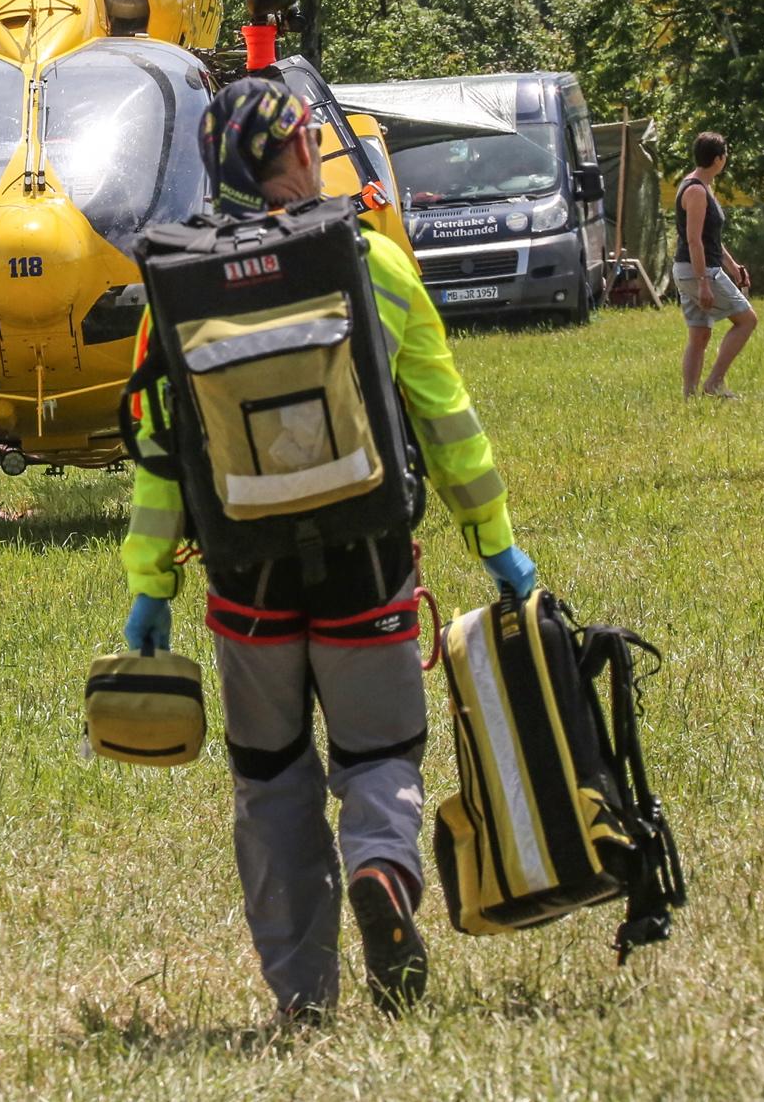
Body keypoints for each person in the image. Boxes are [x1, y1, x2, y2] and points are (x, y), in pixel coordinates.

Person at [119, 77, 540, 1022]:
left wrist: (148, 588)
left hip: (245, 585)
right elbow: (446, 422)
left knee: (269, 784)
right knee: (379, 754)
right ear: (302, 149)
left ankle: (302, 997)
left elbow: (156, 459)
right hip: (368, 571)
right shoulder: (373, 264)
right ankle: (383, 873)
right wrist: (498, 545)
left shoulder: (172, 290)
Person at [671, 131, 757, 399]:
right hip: (699, 271)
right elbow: (694, 240)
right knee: (746, 321)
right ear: (719, 159)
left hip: (690, 270)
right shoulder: (696, 190)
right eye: (726, 154)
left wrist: (733, 266)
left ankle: (689, 397)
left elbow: (711, 239)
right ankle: (714, 383)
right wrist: (703, 283)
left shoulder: (698, 184)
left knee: (699, 336)